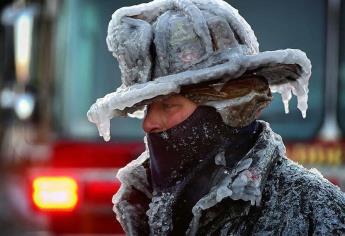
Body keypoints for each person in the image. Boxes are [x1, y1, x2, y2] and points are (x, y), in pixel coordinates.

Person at [87, 0, 345, 235]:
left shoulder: (314, 212)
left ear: (227, 108)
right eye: (147, 107)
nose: (148, 123)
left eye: (167, 106)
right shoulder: (143, 203)